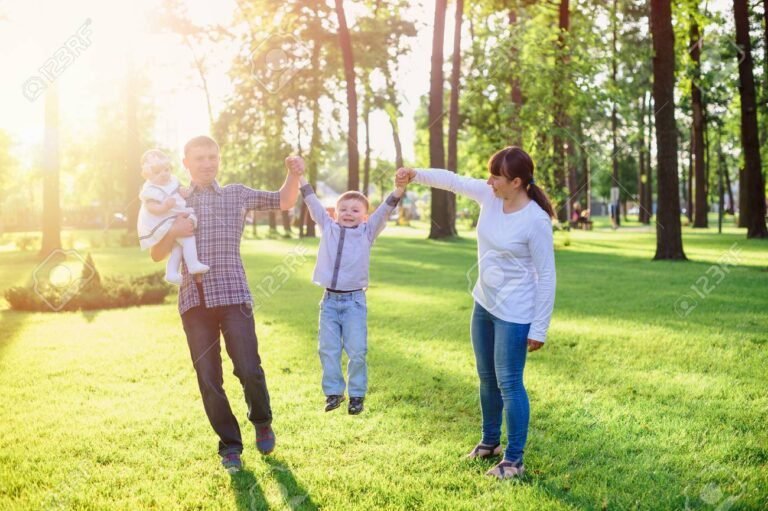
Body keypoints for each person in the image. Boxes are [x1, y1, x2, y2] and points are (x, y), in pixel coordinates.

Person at [396, 146, 556, 480]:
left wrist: (539, 328)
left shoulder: (536, 220)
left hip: (515, 313)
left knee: (510, 383)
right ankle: (489, 443)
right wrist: (416, 174)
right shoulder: (490, 196)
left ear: (516, 181)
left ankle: (514, 461)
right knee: (486, 378)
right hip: (484, 303)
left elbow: (547, 276)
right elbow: (453, 181)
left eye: (496, 176)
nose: (489, 181)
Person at [150, 136, 302, 473]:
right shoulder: (174, 200)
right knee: (208, 377)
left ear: (219, 160)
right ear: (186, 162)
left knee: (248, 367)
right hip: (194, 301)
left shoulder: (237, 193)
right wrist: (173, 229)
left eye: (212, 157)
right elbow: (156, 253)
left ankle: (262, 420)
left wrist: (294, 174)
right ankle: (230, 445)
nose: (207, 163)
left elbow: (285, 200)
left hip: (234, 296)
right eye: (199, 158)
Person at [286, 156, 404, 415]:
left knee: (357, 350)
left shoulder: (367, 232)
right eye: (344, 209)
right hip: (329, 301)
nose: (348, 213)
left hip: (354, 303)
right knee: (327, 348)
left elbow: (385, 210)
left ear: (364, 216)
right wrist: (300, 175)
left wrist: (398, 189)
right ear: (335, 213)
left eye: (355, 210)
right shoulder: (328, 227)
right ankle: (333, 393)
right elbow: (311, 201)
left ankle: (357, 395)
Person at [137, 149, 209, 284]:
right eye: (157, 172)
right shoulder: (151, 190)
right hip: (165, 221)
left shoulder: (172, 181)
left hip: (175, 216)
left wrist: (182, 191)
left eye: (166, 170)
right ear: (148, 175)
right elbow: (151, 207)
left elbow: (179, 190)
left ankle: (171, 273)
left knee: (178, 247)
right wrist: (164, 206)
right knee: (188, 237)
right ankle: (193, 264)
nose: (163, 174)